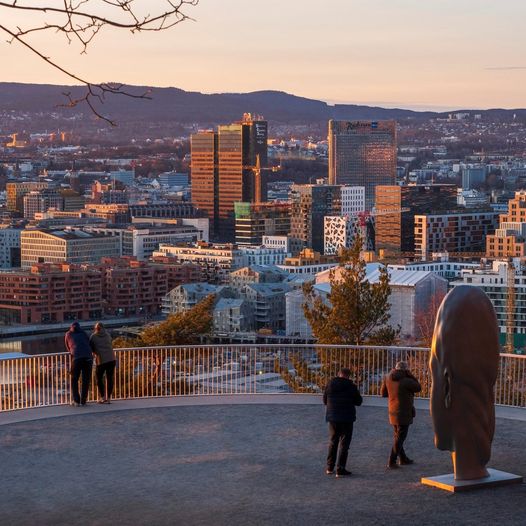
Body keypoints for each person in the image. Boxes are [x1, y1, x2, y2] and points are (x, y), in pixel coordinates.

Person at [323, 367, 363, 478]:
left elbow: (324, 400)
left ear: (338, 374)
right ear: (348, 375)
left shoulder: (330, 384)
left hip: (333, 417)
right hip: (347, 418)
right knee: (344, 444)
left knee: (333, 441)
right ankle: (340, 469)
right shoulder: (351, 386)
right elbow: (359, 402)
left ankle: (329, 467)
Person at [381, 361, 422, 469]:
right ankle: (391, 460)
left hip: (392, 411)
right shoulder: (407, 380)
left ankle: (403, 458)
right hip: (403, 412)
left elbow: (383, 393)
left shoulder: (388, 377)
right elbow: (418, 387)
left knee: (397, 435)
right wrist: (411, 375)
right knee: (400, 437)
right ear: (405, 370)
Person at [64, 321, 93, 406]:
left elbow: (68, 347)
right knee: (86, 380)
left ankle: (76, 401)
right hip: (88, 357)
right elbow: (89, 343)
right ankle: (83, 401)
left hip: (76, 358)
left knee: (74, 379)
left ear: (71, 327)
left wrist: (73, 352)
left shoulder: (68, 334)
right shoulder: (84, 333)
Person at [89, 322, 116, 404]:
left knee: (99, 378)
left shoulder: (93, 336)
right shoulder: (108, 335)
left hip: (101, 360)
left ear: (96, 328)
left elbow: (91, 347)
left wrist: (95, 352)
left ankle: (102, 397)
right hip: (111, 359)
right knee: (110, 378)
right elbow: (110, 344)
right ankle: (109, 398)